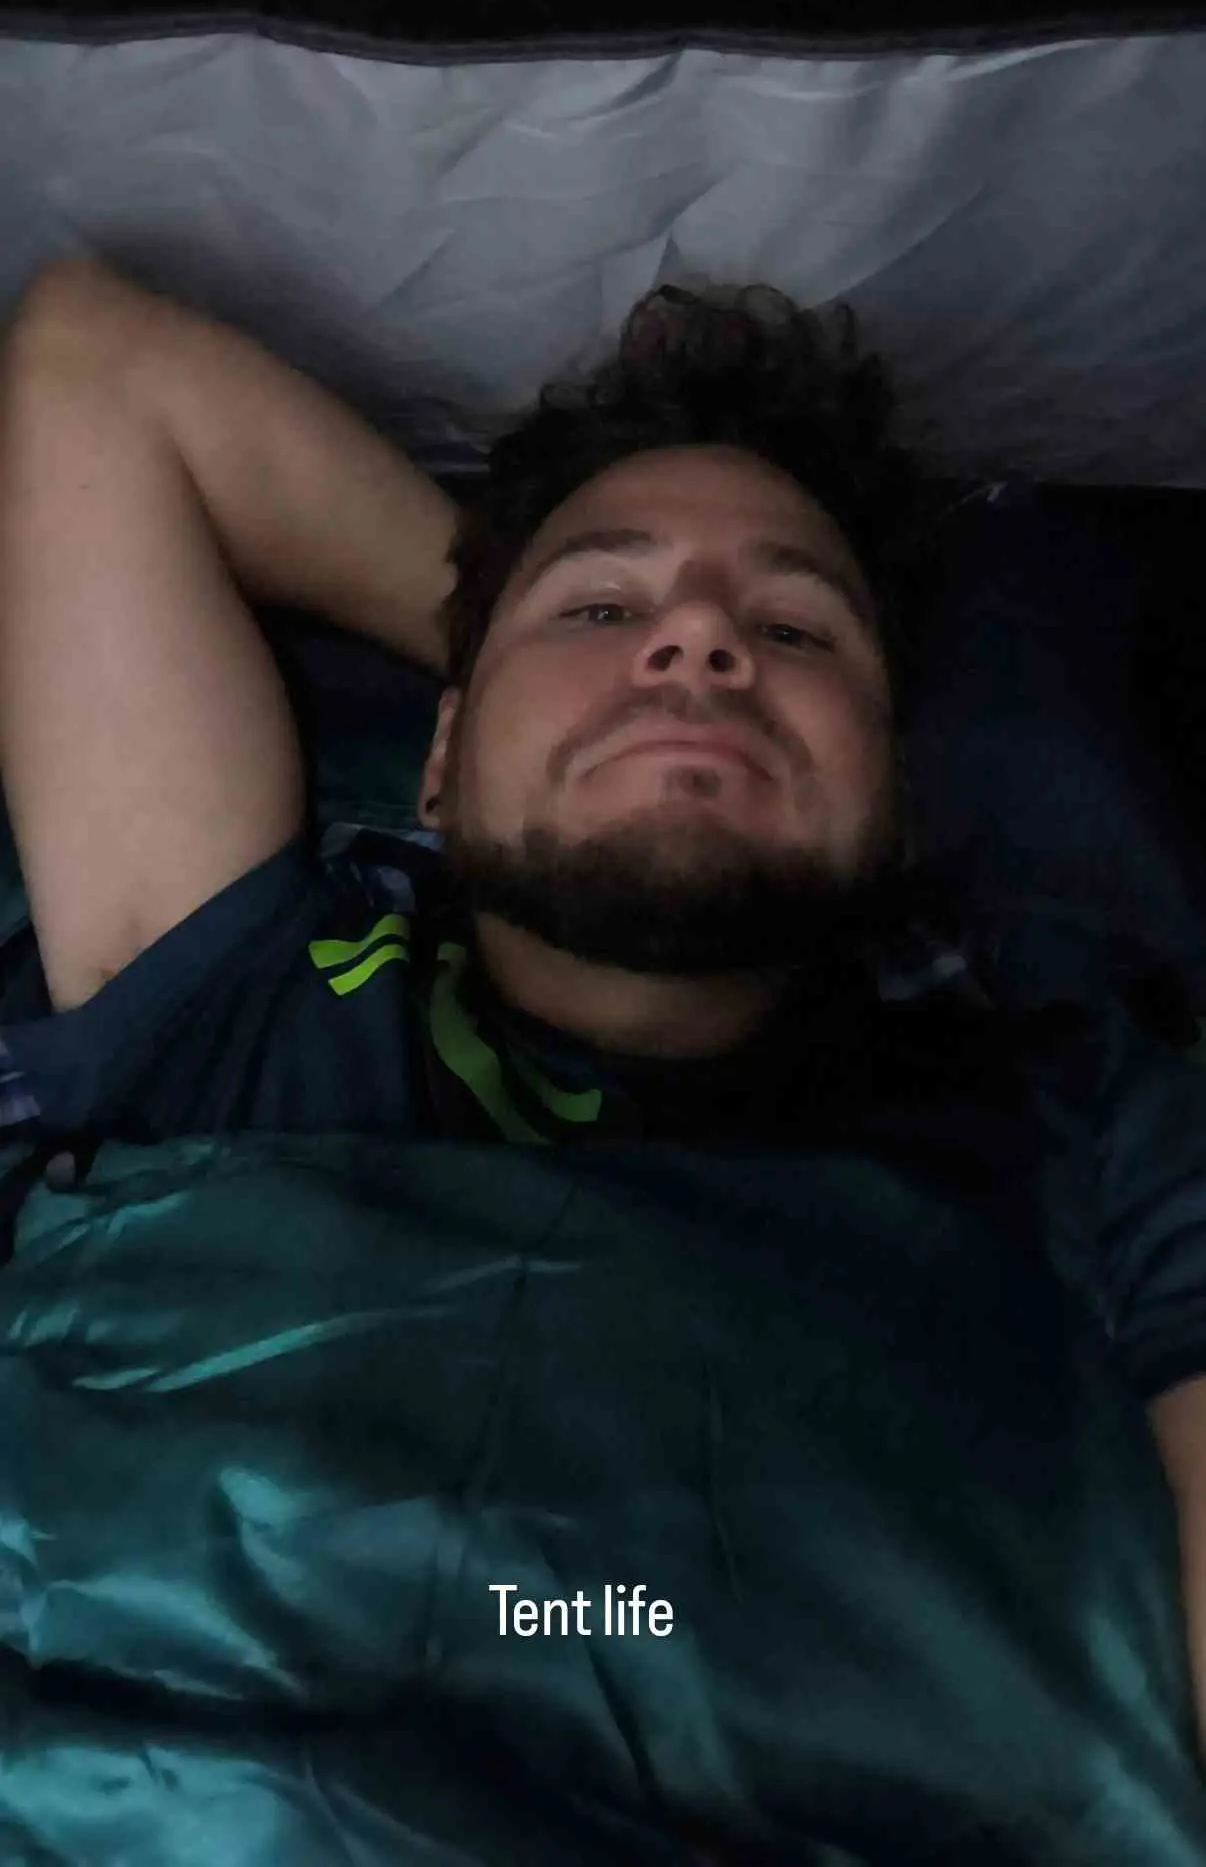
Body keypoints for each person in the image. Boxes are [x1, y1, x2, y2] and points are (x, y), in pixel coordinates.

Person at [4, 251, 1206, 1862]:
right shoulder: (241, 1010)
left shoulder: (1086, 1113)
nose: (701, 637)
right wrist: (535, 673)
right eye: (603, 605)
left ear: (898, 803)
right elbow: (93, 365)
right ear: (438, 755)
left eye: (793, 626)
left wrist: (563, 672)